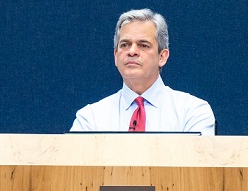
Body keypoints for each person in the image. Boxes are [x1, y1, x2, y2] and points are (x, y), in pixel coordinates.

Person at [71, 9, 215, 135]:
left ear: (162, 57)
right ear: (115, 56)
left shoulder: (192, 112)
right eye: (125, 45)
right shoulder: (90, 119)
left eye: (143, 45)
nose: (132, 51)